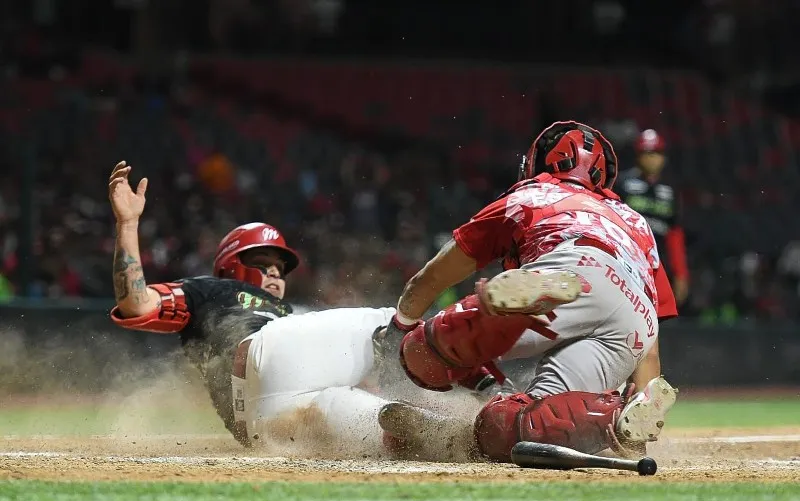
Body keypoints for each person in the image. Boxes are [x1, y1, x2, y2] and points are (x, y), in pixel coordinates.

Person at [375, 122, 679, 462]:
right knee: (518, 430)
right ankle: (613, 417)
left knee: (421, 352)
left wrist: (400, 330)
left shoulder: (529, 195)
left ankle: (501, 326)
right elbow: (649, 354)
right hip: (635, 318)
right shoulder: (637, 224)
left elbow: (430, 280)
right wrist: (641, 420)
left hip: (573, 270)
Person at [107, 161, 397, 456]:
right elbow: (136, 303)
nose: (274, 274)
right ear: (229, 266)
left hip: (264, 426)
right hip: (260, 352)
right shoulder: (210, 290)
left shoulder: (288, 313)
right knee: (392, 321)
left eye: (280, 270)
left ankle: (426, 427)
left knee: (361, 414)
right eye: (262, 263)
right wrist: (127, 225)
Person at [617, 129, 689, 305]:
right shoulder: (622, 184)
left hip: (658, 264)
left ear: (663, 157)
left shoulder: (670, 189)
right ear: (638, 156)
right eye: (646, 153)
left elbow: (675, 233)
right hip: (625, 259)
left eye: (656, 153)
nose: (651, 158)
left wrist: (681, 274)